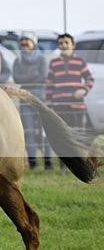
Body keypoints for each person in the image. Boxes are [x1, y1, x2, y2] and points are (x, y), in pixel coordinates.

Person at [12, 31, 51, 170]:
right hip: (25, 99)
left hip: (41, 99)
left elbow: (44, 76)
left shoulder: (42, 58)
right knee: (29, 131)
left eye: (27, 40)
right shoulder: (18, 61)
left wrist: (26, 78)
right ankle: (33, 162)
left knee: (44, 131)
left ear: (33, 42)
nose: (24, 43)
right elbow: (17, 78)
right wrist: (34, 75)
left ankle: (48, 161)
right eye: (22, 40)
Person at [46, 33, 95, 131]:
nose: (64, 45)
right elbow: (49, 85)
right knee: (62, 132)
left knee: (78, 132)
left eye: (66, 42)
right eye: (61, 43)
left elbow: (90, 79)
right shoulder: (54, 63)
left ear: (73, 45)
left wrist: (84, 90)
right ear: (58, 46)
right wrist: (49, 105)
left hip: (76, 105)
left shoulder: (80, 61)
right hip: (59, 106)